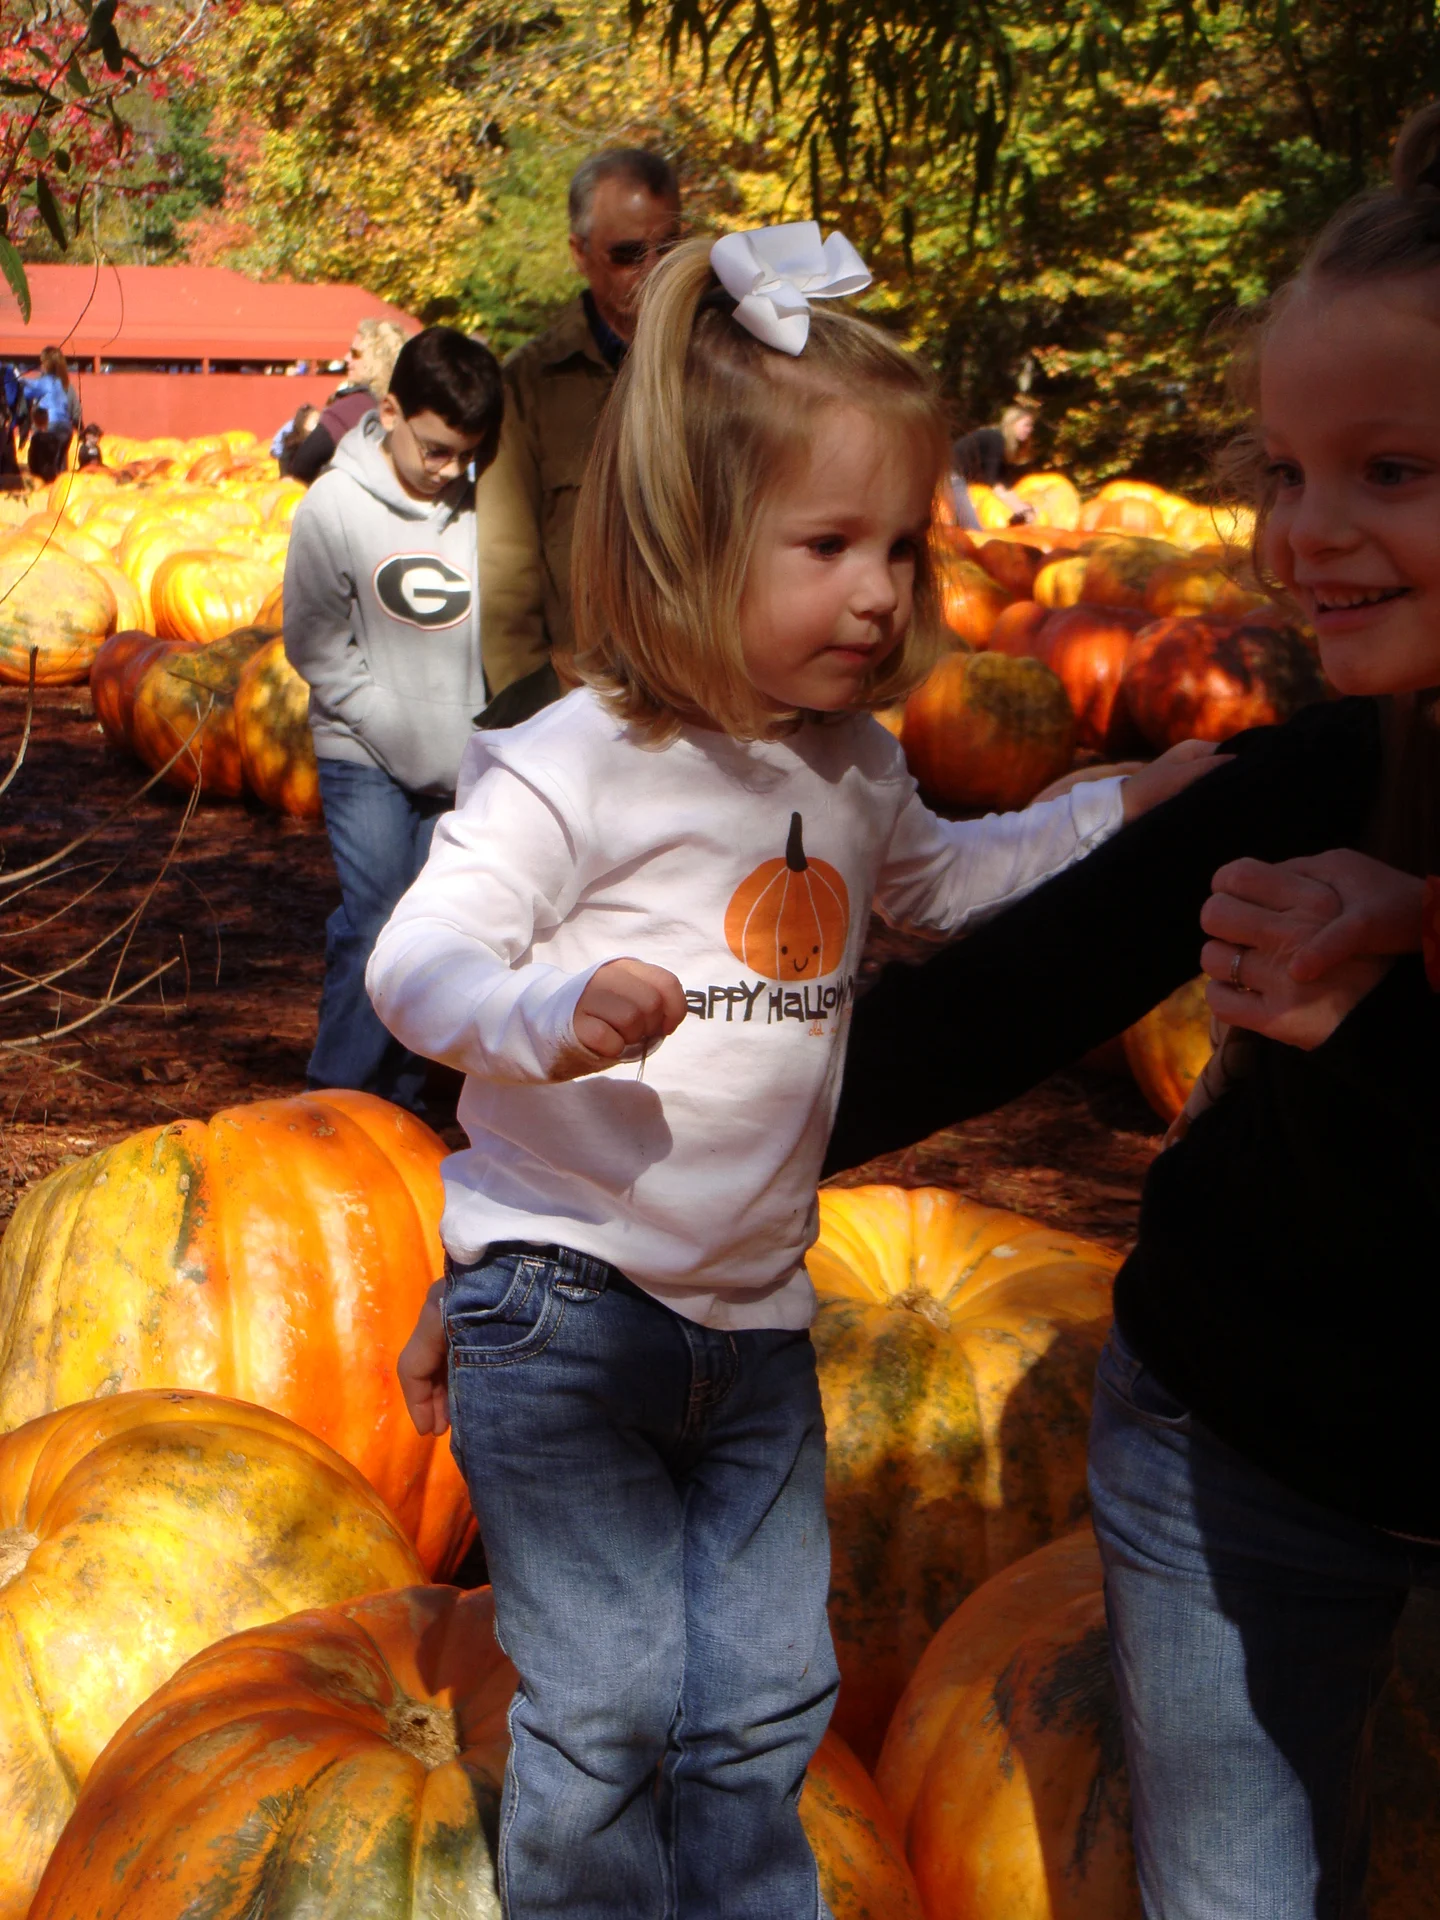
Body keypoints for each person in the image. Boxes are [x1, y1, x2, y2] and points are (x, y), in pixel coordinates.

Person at [370, 224, 1218, 1920]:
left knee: (767, 1698)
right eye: (828, 545)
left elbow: (956, 882)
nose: (881, 591)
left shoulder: (853, 769)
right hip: (565, 1304)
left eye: (900, 546)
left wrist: (1121, 808)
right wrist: (550, 1014)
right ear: (686, 541)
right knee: (609, 1700)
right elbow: (416, 966)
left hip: (756, 1318)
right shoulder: (570, 765)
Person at [822, 103, 1440, 1920]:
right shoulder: (1320, 776)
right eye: (1288, 473)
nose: (1304, 539)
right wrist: (594, 1177)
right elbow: (998, 1004)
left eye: (1393, 471)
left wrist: (1373, 1027)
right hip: (1239, 1451)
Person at [283, 325, 503, 1114]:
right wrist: (397, 730)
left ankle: (400, 1103)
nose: (447, 470)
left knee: (429, 926)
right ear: (390, 412)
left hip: (458, 759)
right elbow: (315, 645)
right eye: (435, 449)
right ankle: (333, 1103)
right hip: (363, 755)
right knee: (374, 918)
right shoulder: (333, 508)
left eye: (463, 456)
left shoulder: (480, 510)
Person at [473, 146, 681, 729]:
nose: (653, 269)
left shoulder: (719, 365)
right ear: (579, 254)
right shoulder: (530, 384)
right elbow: (507, 569)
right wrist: (531, 714)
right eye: (628, 254)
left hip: (706, 699)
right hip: (581, 706)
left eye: (669, 249)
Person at [287, 319, 409, 484]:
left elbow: (302, 464)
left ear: (376, 360)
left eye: (355, 354)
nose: (347, 358)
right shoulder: (410, 406)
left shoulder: (352, 406)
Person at [952, 401, 1038, 522]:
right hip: (949, 475)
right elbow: (992, 480)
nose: (1030, 430)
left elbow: (1003, 482)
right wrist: (1018, 507)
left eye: (1031, 426)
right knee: (970, 525)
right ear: (1012, 423)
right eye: (1026, 425)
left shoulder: (1002, 444)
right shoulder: (995, 438)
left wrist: (1022, 505)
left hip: (960, 479)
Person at [22, 347, 76, 456]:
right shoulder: (65, 383)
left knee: (40, 461)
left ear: (47, 364)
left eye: (42, 362)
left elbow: (24, 392)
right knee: (58, 463)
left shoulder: (44, 382)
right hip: (66, 429)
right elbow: (76, 409)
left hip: (49, 426)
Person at [273, 403, 321, 473]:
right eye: (316, 421)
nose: (319, 424)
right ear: (304, 423)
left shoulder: (318, 442)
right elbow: (284, 465)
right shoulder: (292, 444)